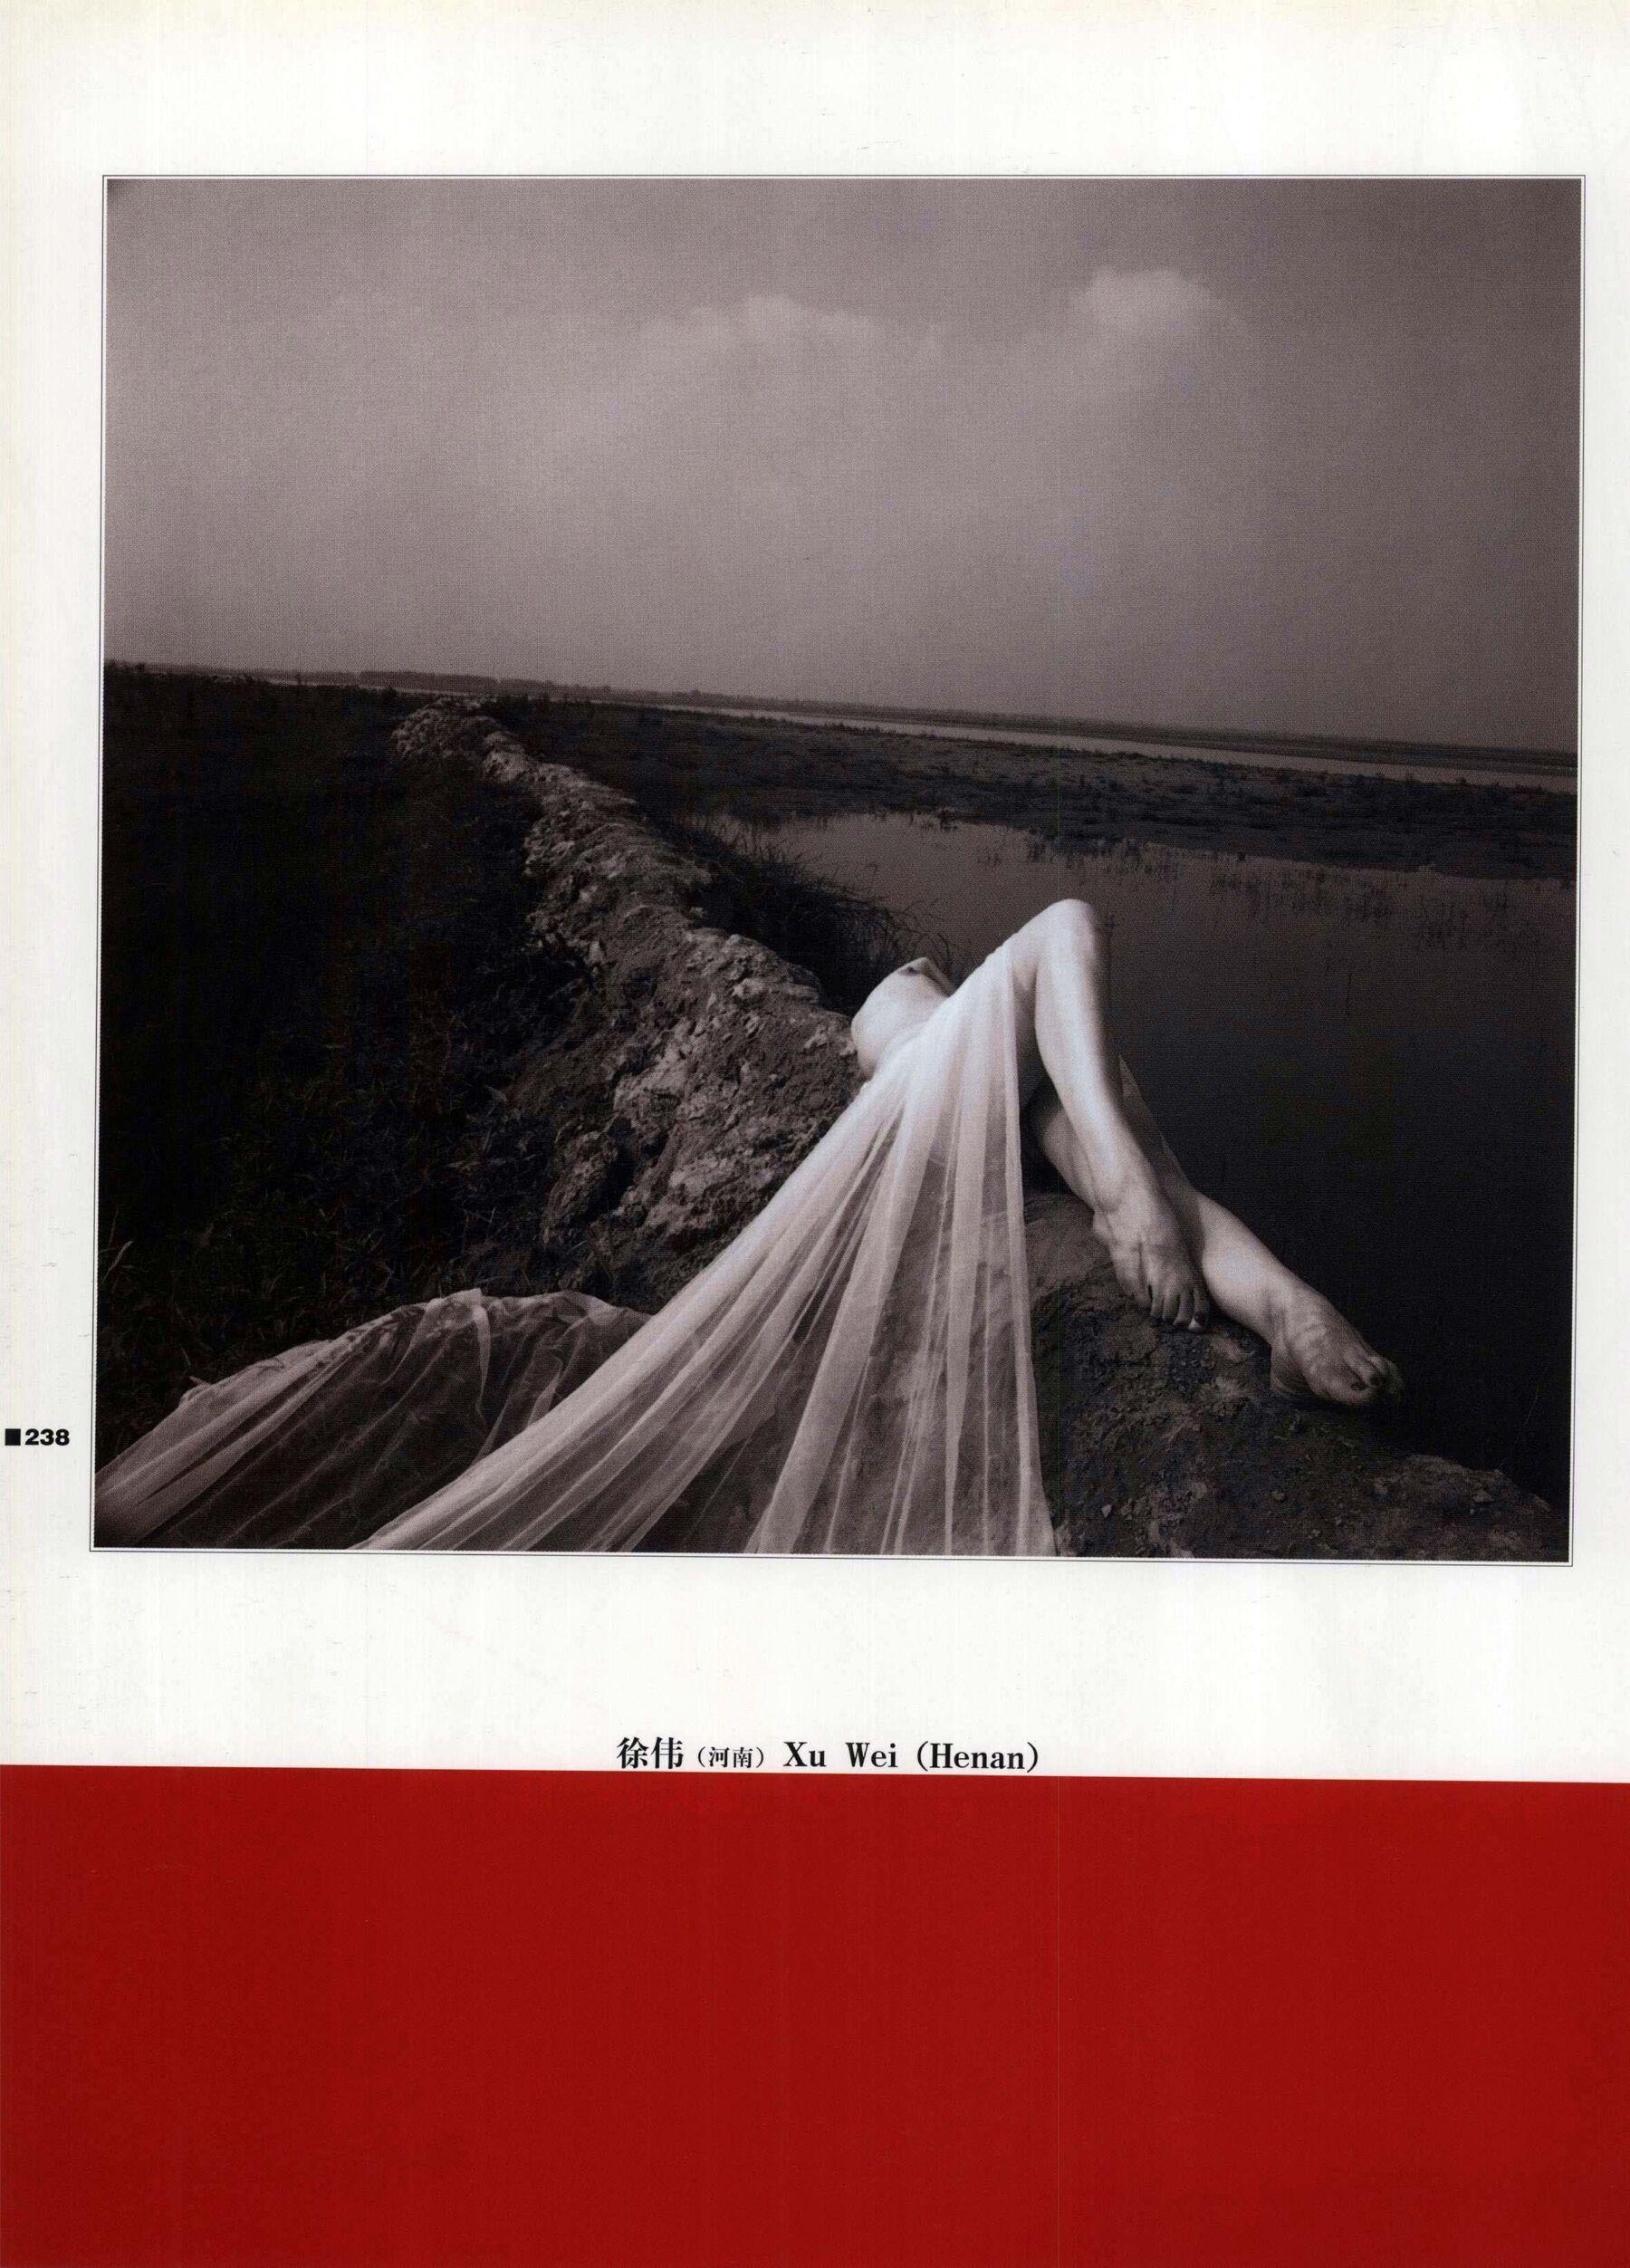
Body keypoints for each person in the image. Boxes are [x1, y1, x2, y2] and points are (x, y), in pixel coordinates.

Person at [95, 899, 1397, 1555]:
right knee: (1104, 1110)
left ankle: (1270, 1292)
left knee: (1099, 1120)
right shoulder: (903, 1018)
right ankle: (1274, 1294)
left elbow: (1055, 1007)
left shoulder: (948, 1042)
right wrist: (1136, 1191)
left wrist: (1136, 1189)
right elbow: (1056, 938)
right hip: (956, 1100)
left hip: (984, 1116)